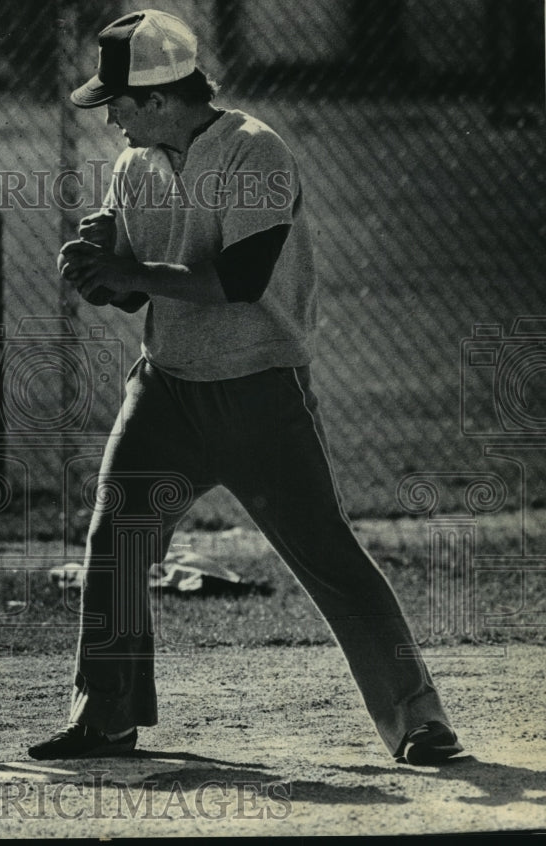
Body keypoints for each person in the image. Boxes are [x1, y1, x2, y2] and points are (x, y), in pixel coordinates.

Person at [28, 9, 463, 766]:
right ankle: (105, 717)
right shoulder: (134, 165)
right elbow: (132, 290)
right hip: (166, 389)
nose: (111, 118)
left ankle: (418, 719)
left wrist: (130, 270)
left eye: (119, 103)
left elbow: (241, 278)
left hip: (259, 388)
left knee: (326, 554)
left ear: (159, 98)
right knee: (116, 543)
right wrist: (99, 269)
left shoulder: (253, 151)